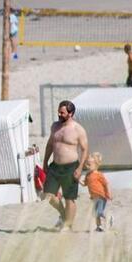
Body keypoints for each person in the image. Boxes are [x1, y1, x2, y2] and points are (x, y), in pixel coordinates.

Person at [42, 99, 90, 232]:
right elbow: (50, 144)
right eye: (59, 111)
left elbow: (85, 149)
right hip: (55, 166)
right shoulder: (55, 126)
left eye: (62, 112)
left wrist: (80, 168)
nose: (59, 114)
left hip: (71, 167)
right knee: (48, 195)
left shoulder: (78, 129)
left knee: (69, 198)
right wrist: (45, 162)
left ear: (71, 113)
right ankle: (63, 215)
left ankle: (68, 225)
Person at [85, 154, 111, 232]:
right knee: (95, 214)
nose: (87, 166)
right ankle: (98, 227)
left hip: (101, 196)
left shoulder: (99, 174)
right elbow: (84, 184)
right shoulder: (88, 175)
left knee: (99, 212)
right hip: (93, 197)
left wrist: (109, 193)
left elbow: (106, 183)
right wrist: (77, 179)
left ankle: (109, 218)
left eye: (89, 165)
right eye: (87, 165)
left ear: (96, 165)